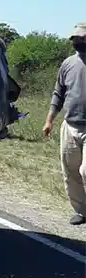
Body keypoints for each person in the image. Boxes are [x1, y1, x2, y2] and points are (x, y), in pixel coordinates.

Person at [43, 22, 86, 225]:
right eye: (76, 38)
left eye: (83, 38)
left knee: (85, 171)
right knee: (70, 171)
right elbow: (58, 94)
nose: (79, 41)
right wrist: (49, 120)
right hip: (70, 126)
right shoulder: (68, 64)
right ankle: (81, 211)